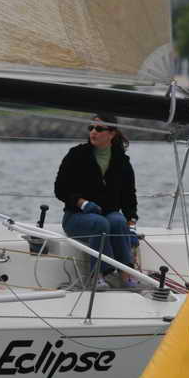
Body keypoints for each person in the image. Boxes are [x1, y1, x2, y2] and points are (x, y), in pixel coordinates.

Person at [53, 112, 139, 286]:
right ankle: (96, 275)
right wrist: (82, 203)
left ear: (111, 133)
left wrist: (131, 226)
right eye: (91, 128)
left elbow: (129, 197)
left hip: (108, 215)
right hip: (76, 217)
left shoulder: (121, 160)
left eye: (99, 129)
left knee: (118, 221)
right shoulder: (76, 154)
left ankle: (125, 273)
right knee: (100, 223)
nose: (93, 132)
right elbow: (60, 189)